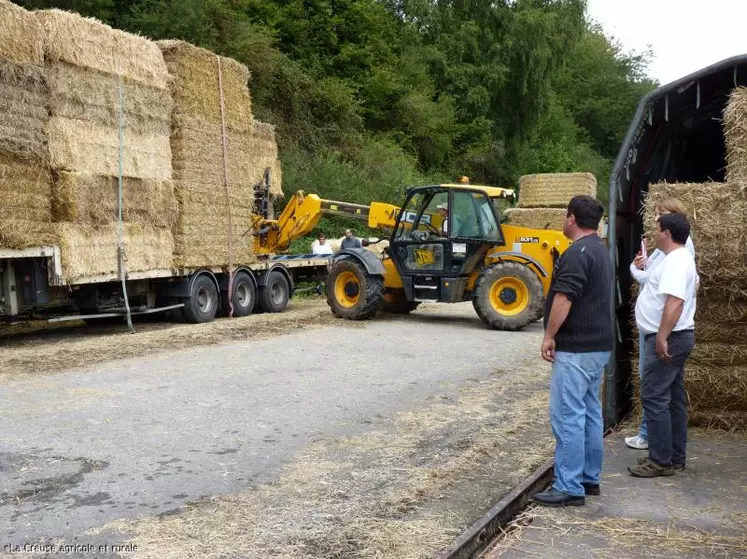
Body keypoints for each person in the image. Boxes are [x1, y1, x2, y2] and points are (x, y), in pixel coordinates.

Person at [533, 195, 613, 508]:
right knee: (590, 413)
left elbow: (564, 299)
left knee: (567, 416)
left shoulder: (576, 253)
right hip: (597, 347)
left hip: (577, 348)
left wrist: (549, 336)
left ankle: (569, 485)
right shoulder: (599, 249)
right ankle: (589, 477)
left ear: (570, 219)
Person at [628, 213, 697, 477]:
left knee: (654, 397)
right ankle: (674, 456)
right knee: (674, 399)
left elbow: (675, 302)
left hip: (670, 336)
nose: (654, 234)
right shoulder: (676, 259)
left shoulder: (677, 261)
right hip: (675, 335)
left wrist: (661, 336)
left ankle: (660, 460)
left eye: (657, 229)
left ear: (667, 233)